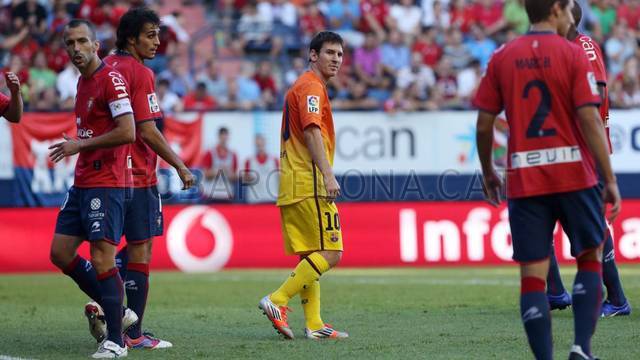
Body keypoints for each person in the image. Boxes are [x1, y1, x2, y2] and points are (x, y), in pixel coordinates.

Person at [473, 1, 621, 359]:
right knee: (589, 258)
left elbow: (483, 123)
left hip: (525, 177)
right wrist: (609, 177)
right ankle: (581, 349)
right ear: (556, 9)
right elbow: (589, 118)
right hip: (574, 172)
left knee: (532, 277)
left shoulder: (502, 56)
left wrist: (489, 171)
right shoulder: (573, 53)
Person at [98, 7, 195, 350]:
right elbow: (148, 131)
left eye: (158, 34)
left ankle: (105, 303)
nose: (157, 41)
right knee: (141, 250)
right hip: (137, 176)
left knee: (105, 252)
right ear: (130, 38)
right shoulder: (140, 73)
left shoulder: (104, 68)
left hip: (104, 177)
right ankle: (132, 333)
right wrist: (181, 165)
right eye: (150, 35)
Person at [48, 19, 136, 358]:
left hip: (106, 182)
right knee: (60, 253)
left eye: (82, 41)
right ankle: (118, 311)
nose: (76, 49)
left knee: (103, 258)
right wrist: (80, 149)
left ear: (96, 44)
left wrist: (78, 147)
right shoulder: (82, 83)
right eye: (70, 43)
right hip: (82, 182)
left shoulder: (110, 80)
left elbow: (128, 131)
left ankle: (115, 341)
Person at [258, 31, 348, 340]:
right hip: (309, 181)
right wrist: (328, 175)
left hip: (292, 181)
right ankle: (278, 300)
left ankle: (314, 324)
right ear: (313, 55)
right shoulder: (311, 86)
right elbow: (311, 131)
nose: (336, 59)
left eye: (340, 54)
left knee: (310, 253)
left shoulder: (303, 86)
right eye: (330, 52)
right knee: (331, 252)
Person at [545, 0, 631, 317]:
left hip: (584, 150)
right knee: (538, 214)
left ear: (565, 17)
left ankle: (618, 298)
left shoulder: (584, 46)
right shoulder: (562, 48)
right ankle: (554, 292)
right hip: (565, 149)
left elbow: (597, 98)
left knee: (590, 226)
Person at [201, 127, 239, 200]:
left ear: (228, 137)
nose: (224, 139)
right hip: (211, 195)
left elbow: (235, 177)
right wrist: (219, 170)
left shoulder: (233, 155)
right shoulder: (210, 153)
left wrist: (228, 172)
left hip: (227, 195)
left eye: (225, 136)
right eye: (222, 136)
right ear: (219, 136)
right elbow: (206, 174)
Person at [242, 134, 279, 204]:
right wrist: (249, 178)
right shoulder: (249, 161)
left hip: (271, 198)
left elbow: (280, 178)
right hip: (255, 199)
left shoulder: (274, 160)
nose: (260, 146)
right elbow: (244, 179)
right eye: (258, 144)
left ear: (265, 143)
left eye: (261, 143)